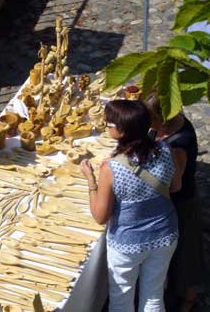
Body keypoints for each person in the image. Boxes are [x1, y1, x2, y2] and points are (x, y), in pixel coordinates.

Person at [80, 100, 183, 312]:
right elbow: (176, 186)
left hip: (127, 242)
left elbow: (100, 216)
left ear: (122, 131)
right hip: (164, 235)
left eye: (109, 124)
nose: (106, 127)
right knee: (154, 296)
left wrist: (91, 180)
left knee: (121, 299)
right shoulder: (165, 149)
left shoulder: (112, 168)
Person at [144, 91, 203, 312]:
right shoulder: (171, 125)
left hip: (181, 202)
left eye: (151, 121)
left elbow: (174, 185)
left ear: (163, 120)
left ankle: (189, 302)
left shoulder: (179, 145)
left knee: (186, 255)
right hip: (173, 200)